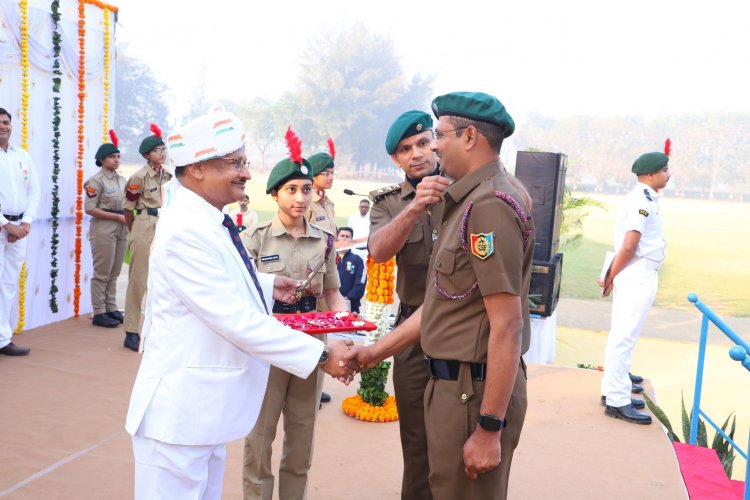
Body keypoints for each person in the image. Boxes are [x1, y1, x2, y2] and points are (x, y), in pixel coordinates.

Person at [125, 108, 354, 500]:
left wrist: (266, 286)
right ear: (196, 168)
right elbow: (234, 320)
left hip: (200, 420)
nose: (246, 174)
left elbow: (221, 286)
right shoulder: (185, 231)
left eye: (244, 163)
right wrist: (320, 355)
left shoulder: (205, 219)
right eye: (236, 163)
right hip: (177, 421)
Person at [346, 92, 535, 500]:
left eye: (437, 136)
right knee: (426, 465)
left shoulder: (486, 203)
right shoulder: (456, 199)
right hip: (434, 349)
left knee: (461, 484)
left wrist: (488, 427)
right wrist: (375, 352)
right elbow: (429, 293)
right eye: (408, 147)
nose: (430, 147)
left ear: (468, 137)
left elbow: (507, 322)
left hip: (472, 375)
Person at [240, 132, 346, 500]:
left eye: (306, 189)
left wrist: (343, 323)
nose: (301, 198)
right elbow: (241, 295)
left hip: (311, 345)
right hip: (268, 345)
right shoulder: (255, 238)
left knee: (302, 438)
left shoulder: (324, 239)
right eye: (291, 190)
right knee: (260, 439)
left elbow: (333, 293)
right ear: (274, 194)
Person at [367, 109, 450, 500]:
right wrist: (415, 206)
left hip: (461, 333)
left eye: (422, 142)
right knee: (416, 445)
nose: (416, 153)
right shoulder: (387, 203)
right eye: (405, 149)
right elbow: (379, 251)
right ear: (395, 159)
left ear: (437, 140)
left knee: (456, 442)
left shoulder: (468, 191)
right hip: (412, 336)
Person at [598, 147, 670, 425]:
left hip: (638, 271)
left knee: (623, 334)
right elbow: (630, 246)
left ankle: (612, 390)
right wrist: (611, 276)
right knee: (624, 336)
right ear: (650, 175)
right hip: (637, 273)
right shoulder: (641, 200)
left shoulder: (647, 196)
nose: (668, 174)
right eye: (664, 170)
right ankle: (617, 400)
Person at [122, 124, 172, 352]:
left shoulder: (169, 176)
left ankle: (158, 329)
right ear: (147, 155)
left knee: (163, 279)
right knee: (139, 279)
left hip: (164, 225)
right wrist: (135, 231)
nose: (163, 153)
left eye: (164, 149)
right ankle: (132, 331)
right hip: (144, 222)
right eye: (158, 150)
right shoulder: (138, 177)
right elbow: (127, 209)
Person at [0, 107, 39, 356]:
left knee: (8, 284)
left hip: (18, 230)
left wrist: (24, 223)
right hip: (3, 226)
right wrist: (5, 224)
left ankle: (2, 339)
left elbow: (34, 190)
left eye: (6, 122)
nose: (2, 126)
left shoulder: (22, 155)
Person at [84, 130, 128, 328]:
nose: (116, 160)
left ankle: (111, 307)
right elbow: (90, 208)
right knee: (102, 272)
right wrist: (118, 216)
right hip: (104, 228)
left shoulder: (121, 180)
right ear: (102, 160)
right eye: (112, 157)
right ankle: (99, 311)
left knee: (115, 271)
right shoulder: (95, 181)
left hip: (121, 228)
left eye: (118, 157)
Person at [307, 138, 338, 404]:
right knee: (311, 327)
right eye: (324, 173)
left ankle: (317, 386)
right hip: (312, 274)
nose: (329, 177)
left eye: (331, 173)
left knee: (324, 329)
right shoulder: (307, 204)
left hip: (329, 271)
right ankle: (307, 390)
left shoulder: (328, 205)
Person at [336, 227, 365, 314]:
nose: (344, 238)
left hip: (351, 305)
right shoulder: (329, 258)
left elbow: (360, 282)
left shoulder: (357, 260)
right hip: (331, 303)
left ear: (351, 240)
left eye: (347, 236)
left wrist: (348, 297)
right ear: (337, 238)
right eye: (342, 236)